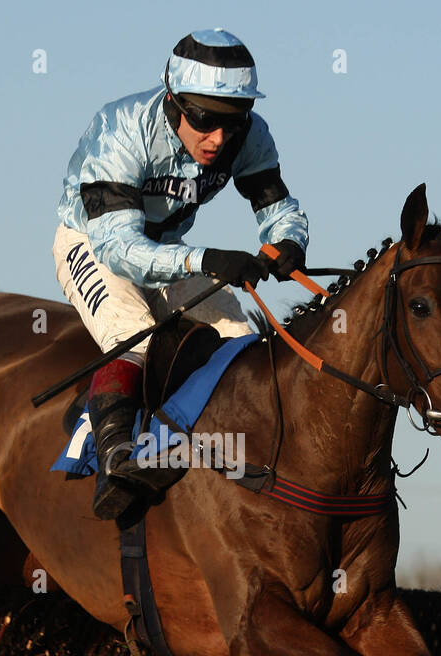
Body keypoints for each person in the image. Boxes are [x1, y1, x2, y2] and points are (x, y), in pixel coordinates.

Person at [54, 27, 309, 520]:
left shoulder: (247, 136)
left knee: (240, 342)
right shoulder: (121, 128)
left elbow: (277, 206)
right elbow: (119, 248)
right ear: (173, 99)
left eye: (233, 123)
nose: (218, 139)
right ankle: (116, 461)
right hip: (93, 241)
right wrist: (206, 259)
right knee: (133, 336)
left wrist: (289, 242)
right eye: (204, 120)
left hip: (166, 247)